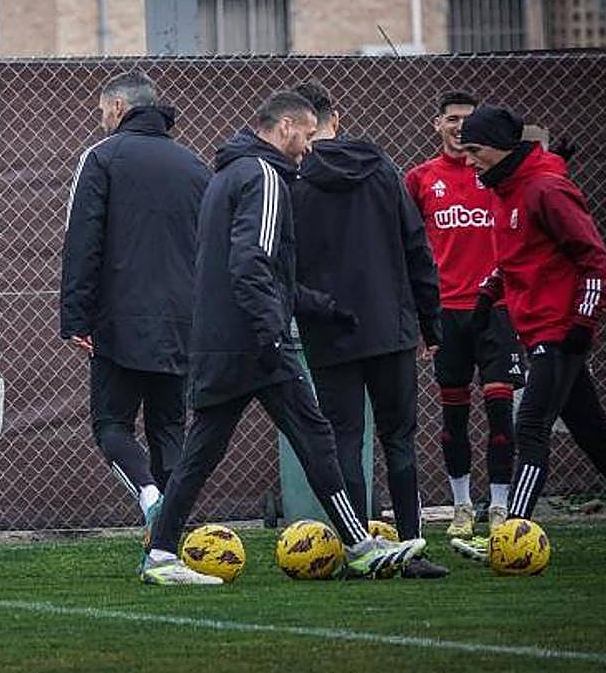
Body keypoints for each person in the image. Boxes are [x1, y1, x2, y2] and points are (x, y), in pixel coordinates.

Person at [141, 91, 427, 585]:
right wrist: (271, 335)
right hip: (255, 344)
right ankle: (359, 546)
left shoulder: (228, 173)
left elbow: (264, 273)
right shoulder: (265, 176)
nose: (310, 149)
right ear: (289, 127)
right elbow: (251, 264)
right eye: (309, 137)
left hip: (221, 341)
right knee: (313, 436)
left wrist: (321, 306)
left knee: (207, 451)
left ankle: (160, 554)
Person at [457, 104, 606, 563]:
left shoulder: (547, 189)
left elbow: (594, 260)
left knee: (530, 425)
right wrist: (486, 295)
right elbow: (516, 257)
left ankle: (512, 532)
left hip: (559, 332)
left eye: (475, 150)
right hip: (536, 327)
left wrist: (582, 323)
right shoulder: (506, 190)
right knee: (598, 442)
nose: (469, 160)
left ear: (500, 147)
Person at [289, 82, 447, 580]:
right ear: (337, 118)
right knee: (399, 439)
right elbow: (417, 248)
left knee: (344, 439)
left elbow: (284, 263)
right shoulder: (383, 170)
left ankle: (359, 550)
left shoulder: (293, 183)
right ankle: (413, 549)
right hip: (390, 327)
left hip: (329, 330)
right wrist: (430, 322)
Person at [59, 70, 210, 538]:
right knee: (169, 430)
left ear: (119, 109)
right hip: (183, 321)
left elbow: (82, 241)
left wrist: (75, 317)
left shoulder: (101, 158)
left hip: (119, 323)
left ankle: (150, 499)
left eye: (103, 109)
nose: (101, 118)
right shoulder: (194, 165)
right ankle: (170, 539)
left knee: (111, 425)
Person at [405, 91, 525, 539]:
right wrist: (420, 316)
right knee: (453, 415)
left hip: (495, 310)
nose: (459, 127)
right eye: (451, 119)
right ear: (437, 124)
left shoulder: (498, 177)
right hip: (446, 312)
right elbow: (410, 250)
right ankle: (461, 506)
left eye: (467, 120)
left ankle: (498, 506)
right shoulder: (420, 179)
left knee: (500, 411)